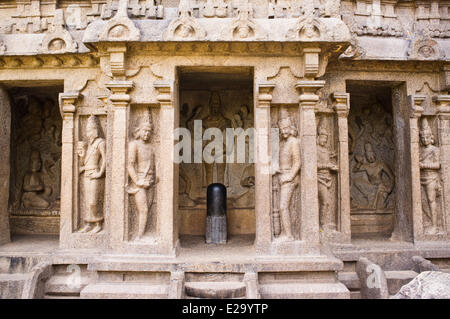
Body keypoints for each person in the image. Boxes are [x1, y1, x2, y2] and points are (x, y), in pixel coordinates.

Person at [127, 116, 157, 240]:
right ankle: (139, 236)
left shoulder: (151, 147)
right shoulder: (134, 145)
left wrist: (156, 178)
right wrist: (138, 181)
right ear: (138, 131)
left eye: (149, 131)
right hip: (139, 181)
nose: (147, 134)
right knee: (143, 209)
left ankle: (142, 232)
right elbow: (130, 165)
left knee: (148, 208)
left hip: (150, 181)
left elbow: (155, 164)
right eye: (145, 130)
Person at [78, 115, 106, 233]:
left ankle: (98, 223)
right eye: (87, 130)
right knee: (87, 201)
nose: (88, 133)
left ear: (96, 130)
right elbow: (83, 163)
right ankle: (89, 223)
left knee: (93, 201)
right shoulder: (88, 145)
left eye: (90, 130)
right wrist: (81, 155)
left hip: (95, 174)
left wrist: (100, 173)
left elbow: (105, 158)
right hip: (87, 174)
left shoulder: (100, 142)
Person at [419, 118, 441, 234]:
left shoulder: (434, 150)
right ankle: (427, 222)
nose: (425, 140)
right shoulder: (419, 150)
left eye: (427, 137)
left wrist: (424, 165)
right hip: (421, 177)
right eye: (422, 138)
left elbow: (437, 165)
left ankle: (435, 225)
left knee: (431, 200)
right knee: (422, 201)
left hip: (431, 178)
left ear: (431, 137)